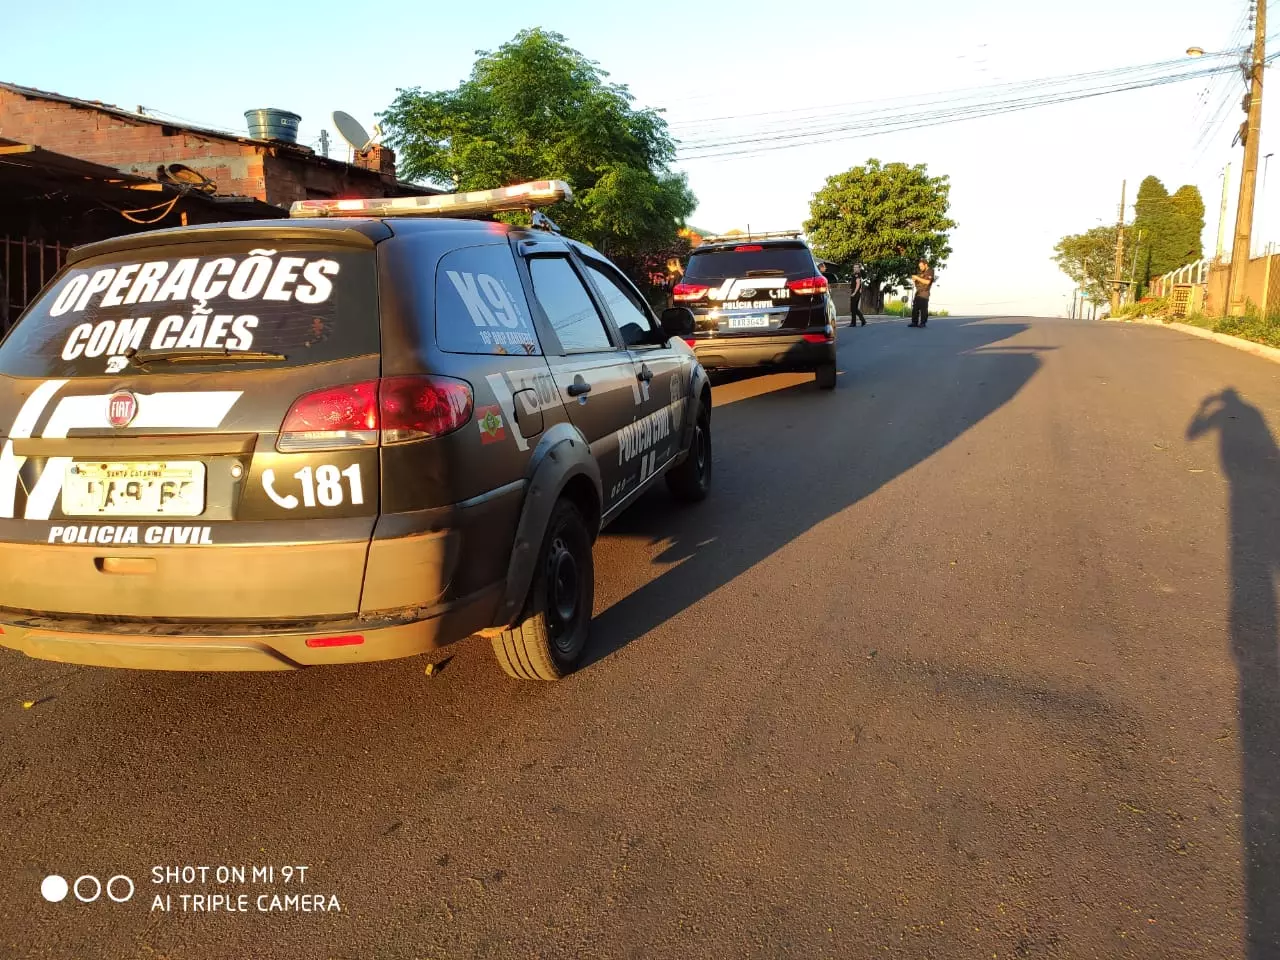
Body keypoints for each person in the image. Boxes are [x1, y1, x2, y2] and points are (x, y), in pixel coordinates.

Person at [909, 259, 935, 328]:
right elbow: (917, 281)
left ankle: (923, 323)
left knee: (923, 308)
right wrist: (914, 279)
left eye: (921, 266)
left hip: (925, 292)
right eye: (919, 266)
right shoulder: (920, 271)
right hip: (918, 291)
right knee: (915, 308)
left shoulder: (930, 271)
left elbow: (927, 282)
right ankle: (914, 322)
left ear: (925, 265)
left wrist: (917, 278)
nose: (920, 268)